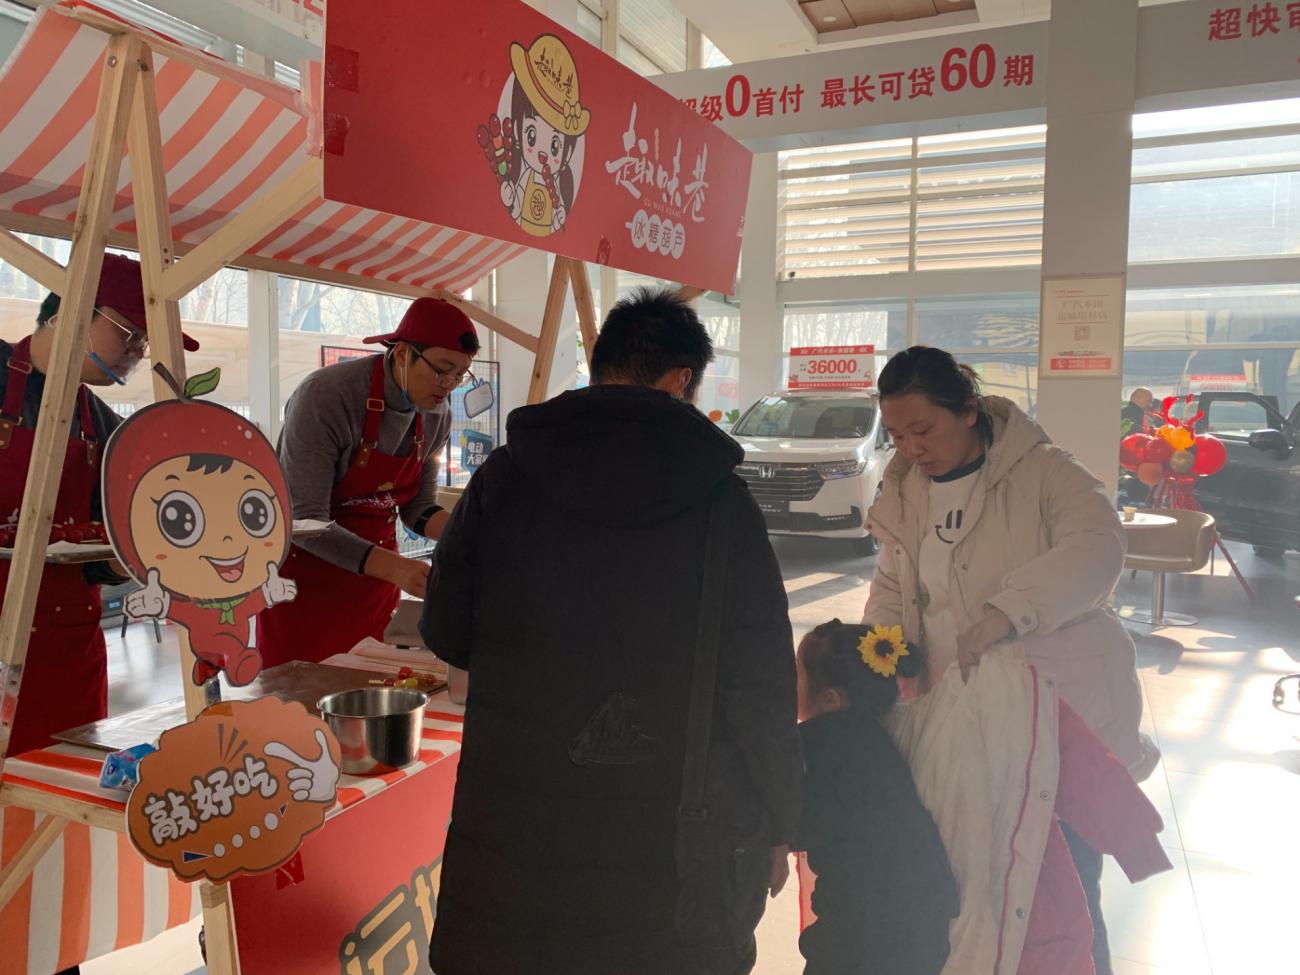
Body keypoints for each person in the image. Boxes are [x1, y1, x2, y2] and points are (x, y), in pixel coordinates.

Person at [419, 287, 802, 975]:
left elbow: (446, 628)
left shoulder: (505, 476)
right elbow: (762, 683)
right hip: (667, 857)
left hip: (521, 844)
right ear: (681, 378)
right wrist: (782, 818)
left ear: (601, 366)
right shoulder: (722, 502)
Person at [862, 346, 1161, 975]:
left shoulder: (1045, 471)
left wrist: (1008, 610)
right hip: (961, 725)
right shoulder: (906, 487)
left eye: (923, 429)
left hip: (1056, 718)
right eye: (896, 433)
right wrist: (874, 653)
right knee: (980, 891)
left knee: (1063, 896)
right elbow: (894, 583)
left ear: (968, 409)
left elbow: (1098, 546)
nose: (911, 447)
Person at [0, 253, 200, 758]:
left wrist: (137, 558)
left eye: (144, 342)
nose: (137, 351)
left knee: (64, 805)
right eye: (129, 332)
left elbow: (104, 560)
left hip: (68, 652)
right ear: (73, 310)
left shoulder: (108, 429)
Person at [256, 297, 475, 667]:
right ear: (403, 354)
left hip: (373, 591)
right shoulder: (327, 396)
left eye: (461, 374)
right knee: (297, 710)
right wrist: (397, 568)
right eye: (442, 369)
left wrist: (472, 537)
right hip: (304, 587)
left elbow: (418, 509)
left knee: (368, 695)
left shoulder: (437, 415)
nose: (450, 385)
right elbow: (304, 521)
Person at [794, 619, 957, 975]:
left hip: (867, 922)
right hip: (920, 914)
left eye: (797, 678)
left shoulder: (823, 742)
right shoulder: (874, 741)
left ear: (831, 700)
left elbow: (797, 824)